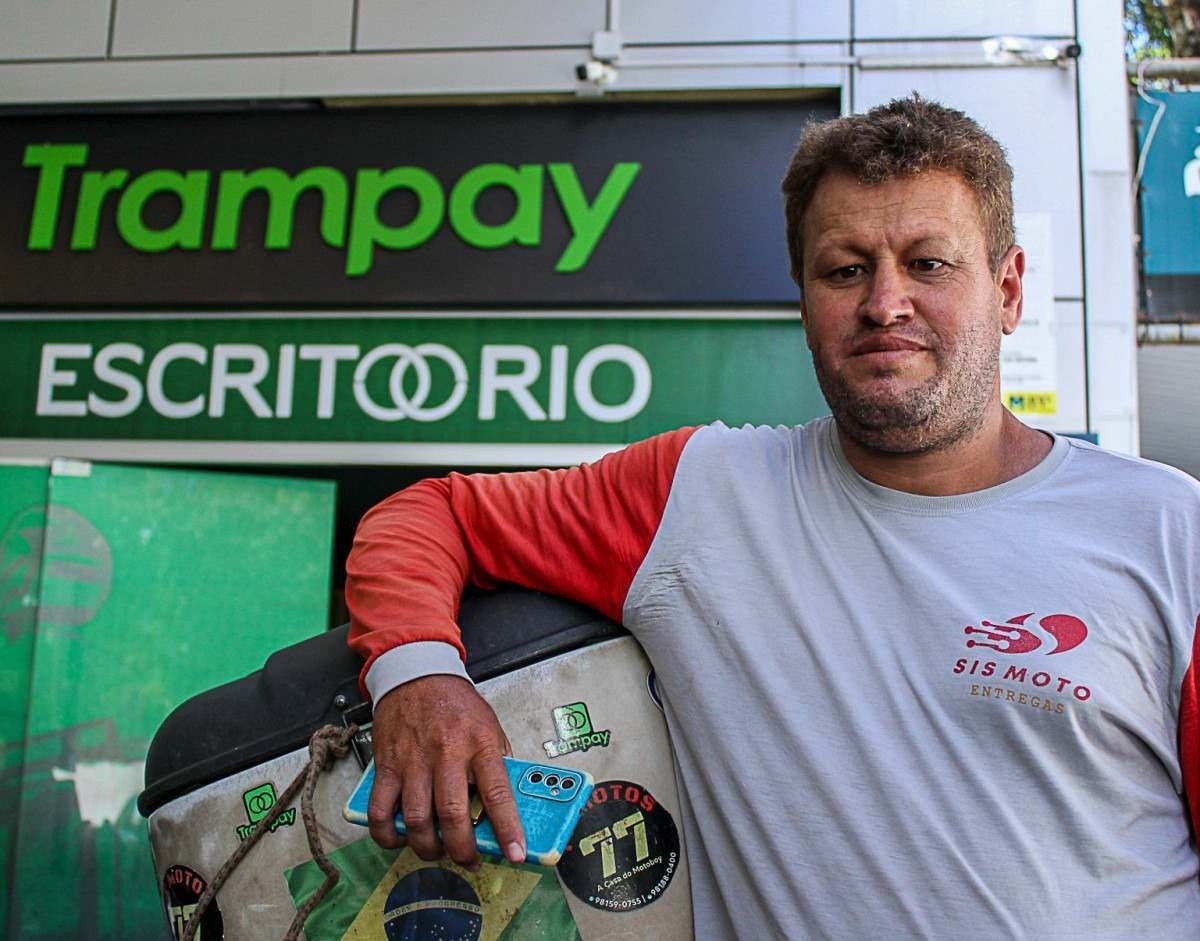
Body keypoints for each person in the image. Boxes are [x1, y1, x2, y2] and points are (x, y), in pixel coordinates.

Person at [345, 95, 1200, 937]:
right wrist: (419, 678)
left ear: (1008, 290)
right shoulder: (698, 495)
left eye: (929, 263)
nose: (885, 303)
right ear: (803, 300)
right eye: (845, 268)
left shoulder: (1167, 530)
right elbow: (430, 514)